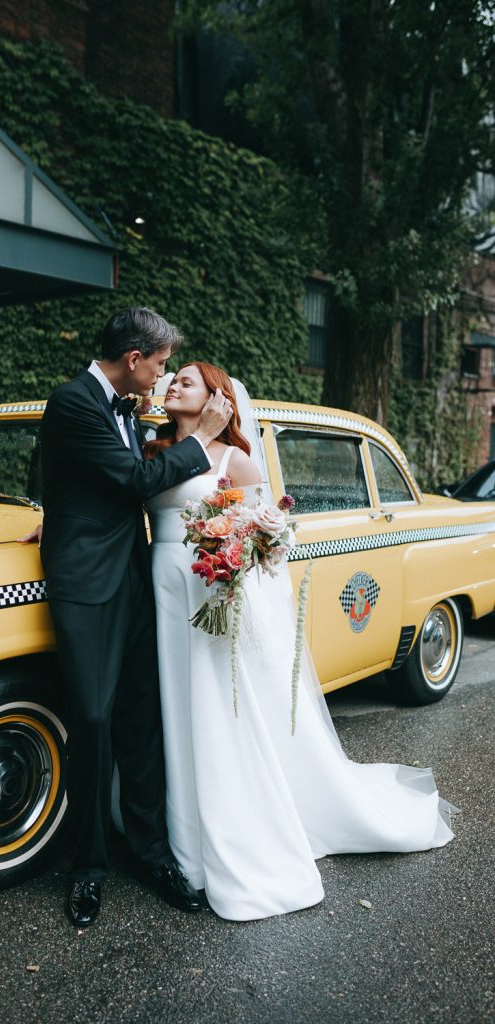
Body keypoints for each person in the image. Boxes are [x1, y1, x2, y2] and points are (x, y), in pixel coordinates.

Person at [146, 361, 455, 921]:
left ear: (217, 398)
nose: (172, 386)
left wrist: (241, 548)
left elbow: (270, 535)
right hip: (163, 590)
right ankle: (173, 827)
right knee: (171, 704)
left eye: (185, 381)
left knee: (215, 710)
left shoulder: (233, 458)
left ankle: (224, 832)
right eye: (171, 380)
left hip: (210, 594)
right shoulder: (152, 449)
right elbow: (124, 501)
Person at [21, 309, 233, 927]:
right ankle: (87, 868)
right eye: (162, 363)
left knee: (142, 718)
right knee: (92, 719)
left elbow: (79, 477)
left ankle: (150, 852)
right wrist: (199, 442)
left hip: (138, 579)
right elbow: (132, 479)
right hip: (86, 585)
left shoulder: (129, 408)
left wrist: (58, 507)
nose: (164, 374)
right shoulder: (73, 401)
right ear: (135, 359)